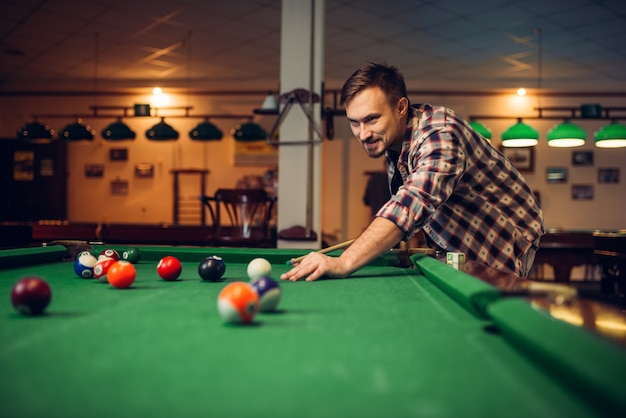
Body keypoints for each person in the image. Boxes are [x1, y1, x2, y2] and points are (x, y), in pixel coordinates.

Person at [280, 62, 544, 282]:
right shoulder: (394, 144)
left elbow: (412, 203)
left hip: (503, 238)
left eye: (372, 119)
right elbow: (420, 213)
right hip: (459, 244)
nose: (363, 134)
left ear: (401, 107)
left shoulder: (440, 133)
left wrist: (344, 262)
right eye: (354, 122)